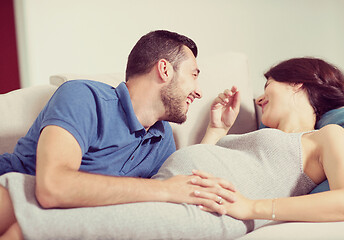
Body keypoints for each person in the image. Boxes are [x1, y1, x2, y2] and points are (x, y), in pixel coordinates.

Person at [1, 57, 344, 240]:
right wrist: (217, 129)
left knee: (33, 229)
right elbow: (199, 165)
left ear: (296, 84)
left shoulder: (325, 137)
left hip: (204, 212)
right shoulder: (243, 134)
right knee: (17, 194)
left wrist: (253, 207)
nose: (258, 96)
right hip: (168, 191)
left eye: (269, 84)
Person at [0, 30, 239, 239]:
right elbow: (53, 187)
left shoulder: (161, 135)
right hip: (12, 196)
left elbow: (181, 193)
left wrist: (216, 130)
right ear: (164, 69)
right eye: (194, 75)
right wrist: (165, 189)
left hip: (57, 225)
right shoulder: (84, 97)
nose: (199, 92)